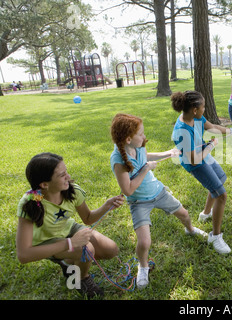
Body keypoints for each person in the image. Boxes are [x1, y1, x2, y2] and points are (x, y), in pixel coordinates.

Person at [110, 113, 206, 289]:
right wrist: (146, 170)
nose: (145, 137)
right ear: (129, 139)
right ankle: (143, 266)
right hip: (139, 202)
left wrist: (167, 153)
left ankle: (190, 230)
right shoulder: (119, 160)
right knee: (145, 242)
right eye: (141, 134)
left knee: (184, 214)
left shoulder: (137, 146)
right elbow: (128, 189)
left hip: (158, 192)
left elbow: (147, 155)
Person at [16, 152, 124, 299]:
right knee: (86, 250)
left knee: (111, 250)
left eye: (66, 171)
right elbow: (23, 255)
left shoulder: (72, 190)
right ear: (44, 184)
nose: (68, 176)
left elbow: (87, 218)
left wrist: (106, 206)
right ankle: (81, 278)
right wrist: (70, 243)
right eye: (62, 175)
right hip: (46, 242)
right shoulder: (30, 202)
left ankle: (68, 263)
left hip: (69, 230)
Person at [171, 90, 232, 254]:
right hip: (195, 162)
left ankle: (205, 213)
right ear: (195, 109)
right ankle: (215, 236)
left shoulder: (195, 117)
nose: (205, 109)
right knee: (221, 194)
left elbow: (212, 128)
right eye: (203, 107)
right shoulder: (181, 131)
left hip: (202, 154)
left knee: (220, 178)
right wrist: (211, 146)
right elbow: (194, 160)